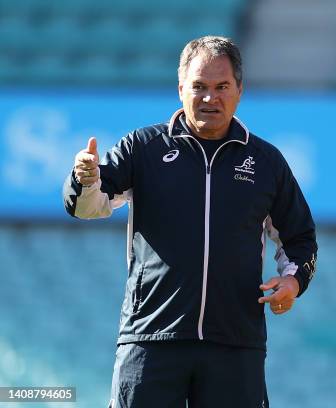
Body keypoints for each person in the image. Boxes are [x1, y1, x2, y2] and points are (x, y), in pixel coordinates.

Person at [63, 36, 317, 408]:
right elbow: (89, 206)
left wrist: (293, 282)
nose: (210, 98)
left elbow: (300, 239)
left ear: (239, 91)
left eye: (221, 87)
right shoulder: (143, 146)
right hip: (150, 339)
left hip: (235, 344)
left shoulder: (266, 161)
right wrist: (85, 180)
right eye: (199, 87)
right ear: (181, 88)